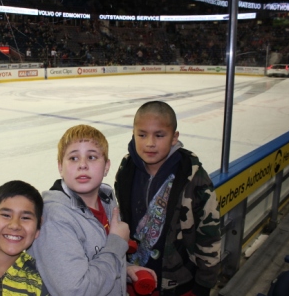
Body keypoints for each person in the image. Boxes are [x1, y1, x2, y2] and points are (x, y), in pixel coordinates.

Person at [28, 124, 156, 296]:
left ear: (107, 167)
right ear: (60, 167)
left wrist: (123, 269)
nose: (82, 165)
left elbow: (94, 260)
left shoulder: (106, 199)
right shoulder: (54, 218)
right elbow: (77, 290)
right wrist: (117, 243)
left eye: (92, 157)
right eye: (73, 158)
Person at [115, 101, 221, 296]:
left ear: (174, 137)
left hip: (177, 283)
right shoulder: (126, 169)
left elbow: (209, 231)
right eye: (142, 135)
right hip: (134, 277)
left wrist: (204, 284)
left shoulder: (192, 176)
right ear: (133, 134)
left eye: (159, 135)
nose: (150, 143)